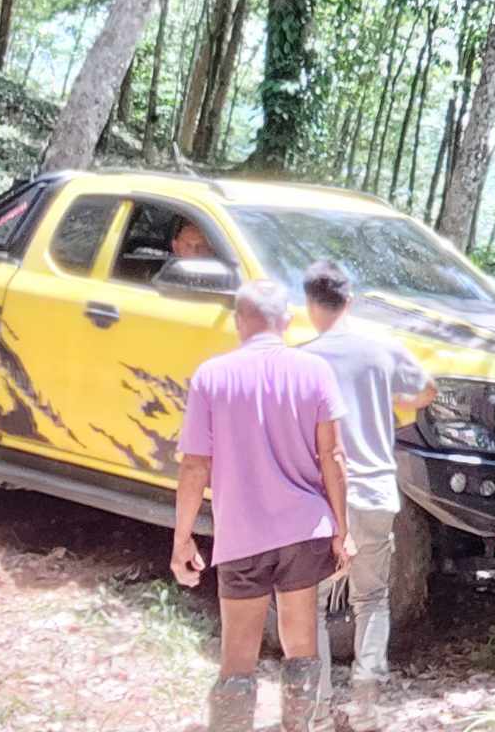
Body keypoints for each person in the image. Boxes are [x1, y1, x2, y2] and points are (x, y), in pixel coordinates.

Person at [172, 278, 352, 732]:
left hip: (242, 535)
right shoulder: (314, 371)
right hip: (304, 530)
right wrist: (342, 530)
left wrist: (182, 539)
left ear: (238, 322)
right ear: (286, 321)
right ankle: (299, 726)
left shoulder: (211, 376)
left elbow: (194, 465)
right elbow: (333, 456)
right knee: (301, 647)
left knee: (237, 660)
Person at [300, 260, 436, 730]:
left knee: (312, 606)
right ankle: (365, 706)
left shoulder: (303, 359)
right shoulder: (382, 347)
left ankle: (318, 709)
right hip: (377, 492)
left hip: (321, 499)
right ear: (350, 301)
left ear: (310, 305)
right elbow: (428, 390)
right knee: (372, 598)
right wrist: (388, 404)